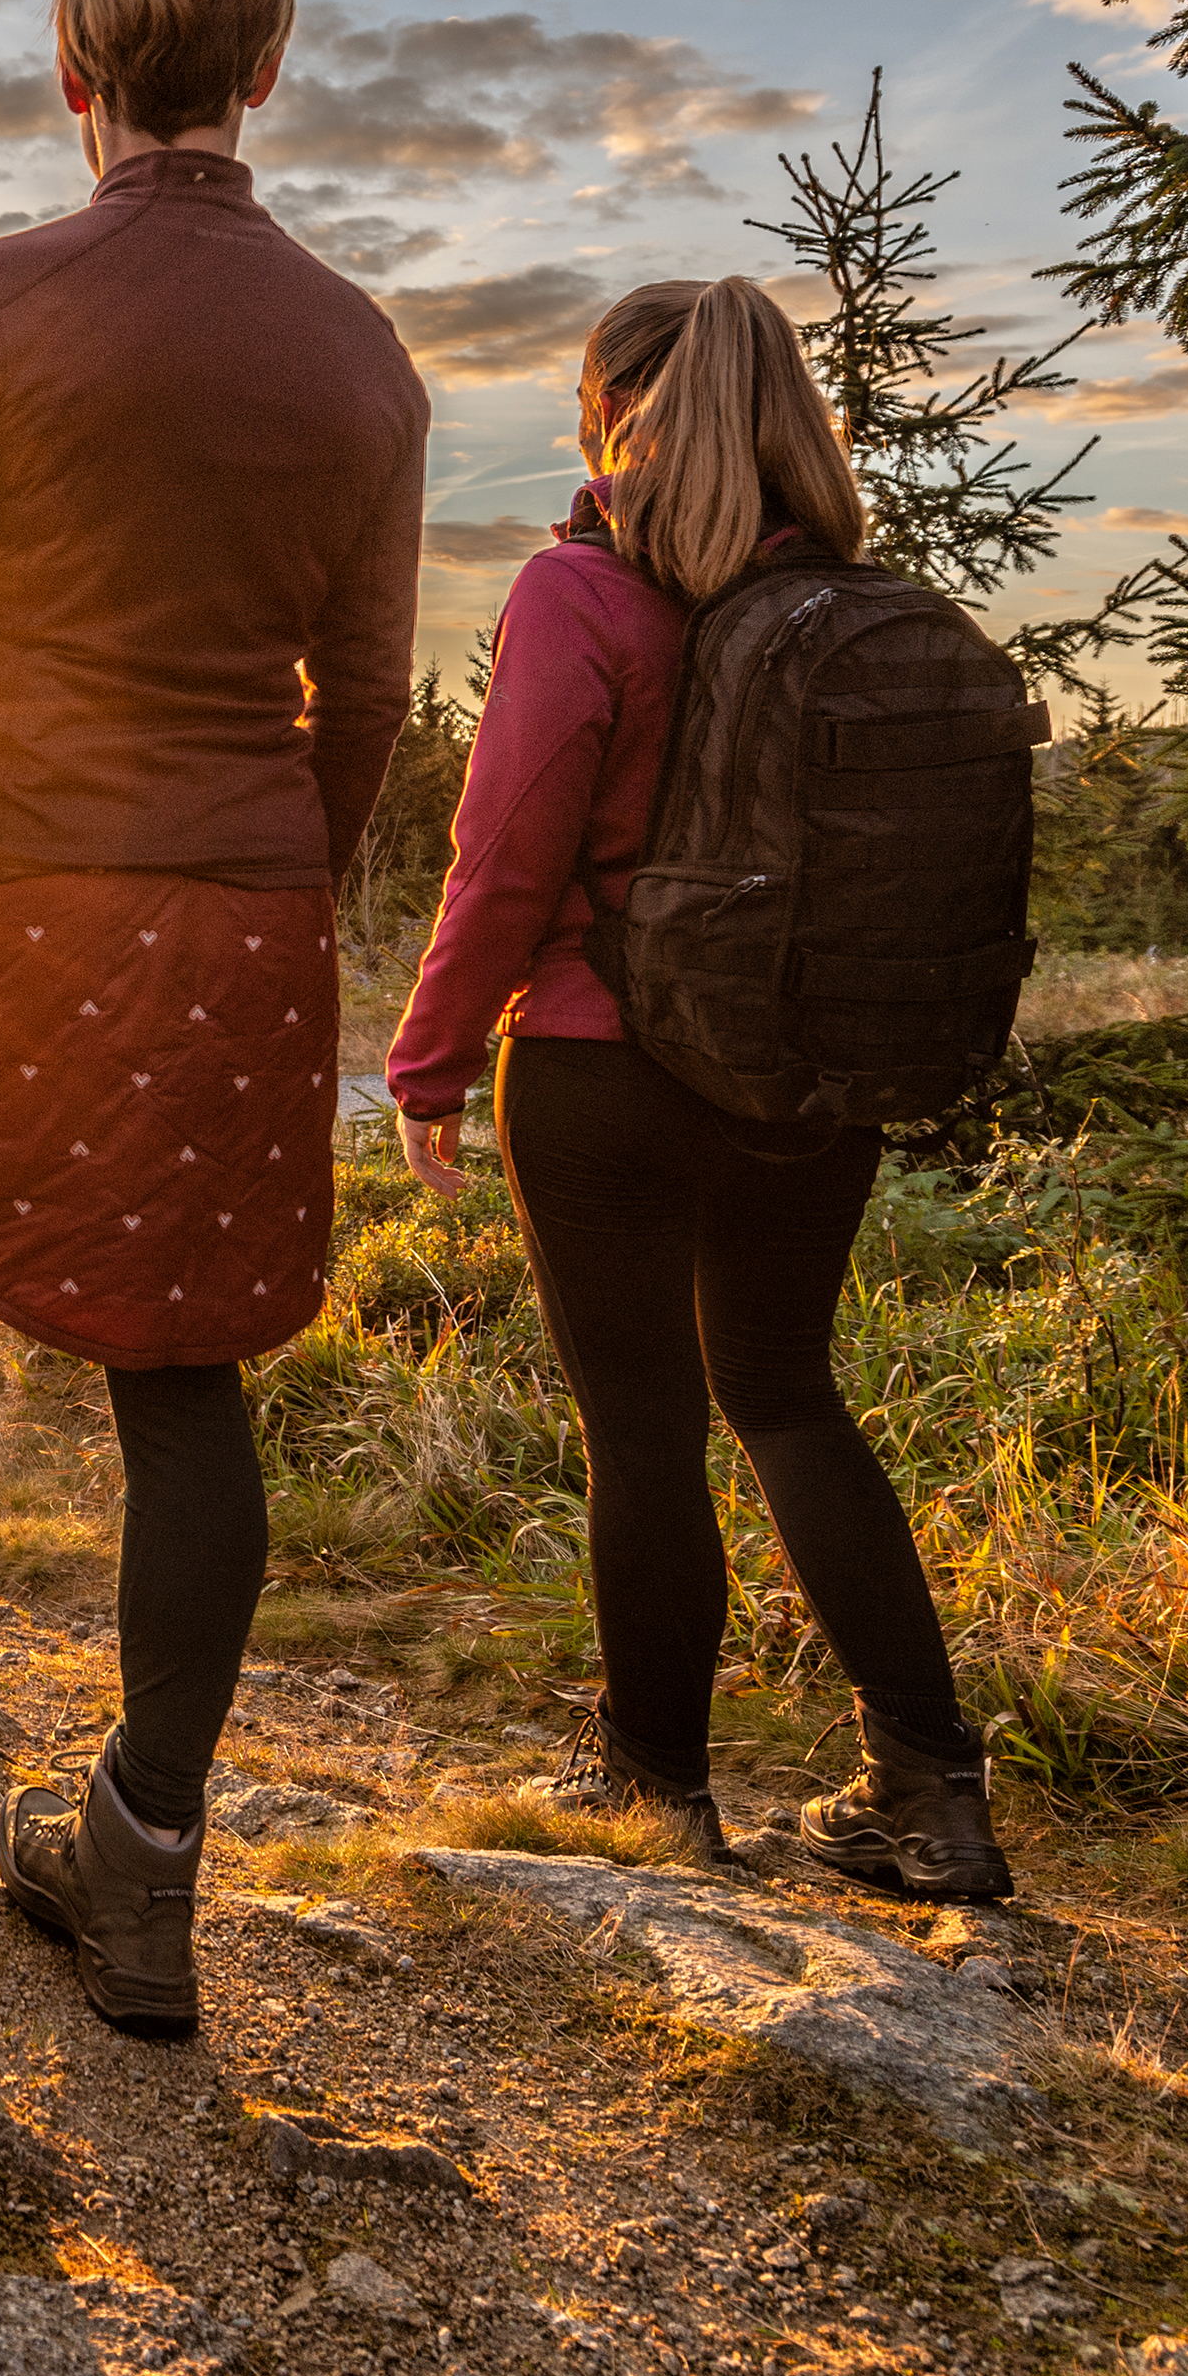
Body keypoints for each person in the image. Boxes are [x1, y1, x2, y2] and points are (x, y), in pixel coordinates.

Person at [0, 0, 430, 2036]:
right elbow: (376, 690)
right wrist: (267, 885)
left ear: (71, 76)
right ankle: (137, 1864)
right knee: (186, 1372)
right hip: (228, 896)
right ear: (263, 72)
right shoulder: (362, 354)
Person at [380, 279, 1009, 1900]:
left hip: (603, 1067)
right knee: (787, 1394)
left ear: (612, 420)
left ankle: (657, 1786)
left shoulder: (582, 596)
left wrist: (431, 1060)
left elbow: (506, 850)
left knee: (641, 1430)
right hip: (805, 1078)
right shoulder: (835, 599)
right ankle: (930, 1791)